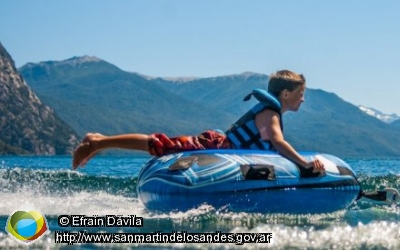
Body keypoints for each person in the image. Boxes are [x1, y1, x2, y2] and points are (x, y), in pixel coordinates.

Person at [72, 70, 324, 172]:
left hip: (222, 147)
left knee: (162, 143)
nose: (303, 100)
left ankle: (99, 142)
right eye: (301, 95)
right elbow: (277, 143)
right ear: (286, 94)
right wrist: (303, 164)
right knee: (161, 144)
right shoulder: (270, 114)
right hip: (216, 146)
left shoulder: (271, 112)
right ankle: (98, 142)